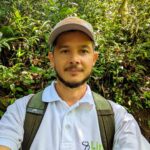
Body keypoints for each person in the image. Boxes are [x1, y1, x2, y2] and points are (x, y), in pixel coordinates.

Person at [0, 17, 149, 150]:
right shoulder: (21, 111)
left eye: (83, 51)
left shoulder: (118, 118)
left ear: (94, 59)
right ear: (52, 58)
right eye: (65, 51)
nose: (74, 59)